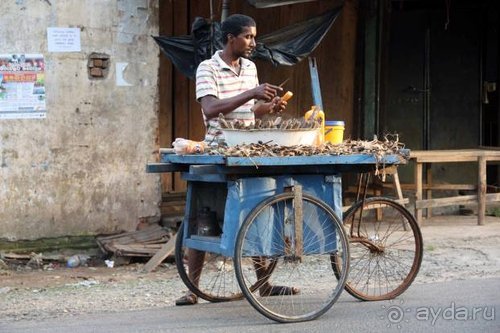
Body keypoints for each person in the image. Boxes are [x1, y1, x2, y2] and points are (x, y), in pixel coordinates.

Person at [175, 14, 299, 306]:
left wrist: (267, 107)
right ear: (230, 38)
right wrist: (251, 93)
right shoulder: (208, 68)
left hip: (249, 150)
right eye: (248, 37)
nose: (253, 42)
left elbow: (248, 112)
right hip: (220, 149)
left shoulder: (250, 68)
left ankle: (263, 283)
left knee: (255, 210)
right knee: (203, 215)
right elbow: (212, 108)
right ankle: (193, 289)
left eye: (254, 36)